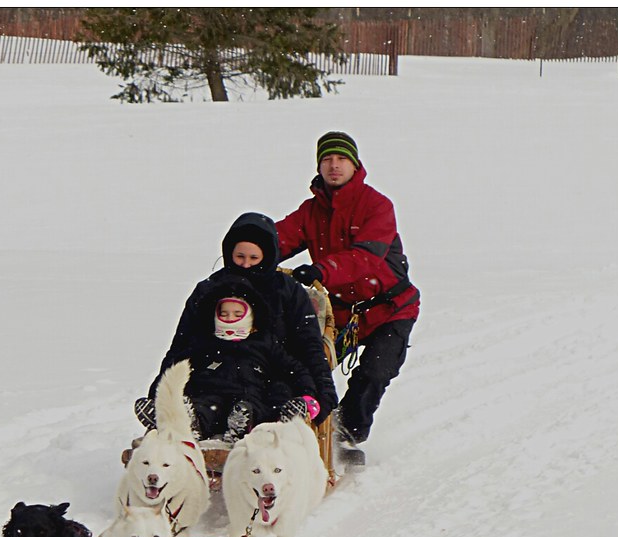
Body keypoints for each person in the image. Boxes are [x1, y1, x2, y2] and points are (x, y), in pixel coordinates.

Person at [276, 131, 420, 445]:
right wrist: (247, 248)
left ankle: (344, 438)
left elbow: (366, 257)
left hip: (389, 310)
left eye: (341, 159)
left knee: (373, 374)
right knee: (302, 369)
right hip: (339, 315)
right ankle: (293, 430)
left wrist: (320, 270)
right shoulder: (310, 211)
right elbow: (277, 238)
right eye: (327, 159)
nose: (334, 165)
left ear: (355, 165)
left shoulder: (377, 206)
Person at [139, 212, 338, 427]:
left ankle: (250, 422)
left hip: (269, 375)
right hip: (214, 370)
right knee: (200, 398)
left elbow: (309, 347)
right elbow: (183, 345)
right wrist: (160, 392)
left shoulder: (288, 292)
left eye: (254, 258)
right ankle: (185, 420)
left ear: (268, 254)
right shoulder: (209, 290)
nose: (245, 265)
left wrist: (321, 392)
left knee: (271, 399)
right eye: (239, 257)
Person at [137, 274, 321, 443]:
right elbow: (176, 369)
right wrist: (159, 396)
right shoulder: (205, 343)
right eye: (224, 314)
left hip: (249, 396)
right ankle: (184, 423)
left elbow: (295, 370)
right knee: (202, 407)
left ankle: (246, 427)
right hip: (210, 394)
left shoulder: (264, 344)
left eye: (237, 314)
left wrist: (308, 396)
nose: (229, 319)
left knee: (260, 405)